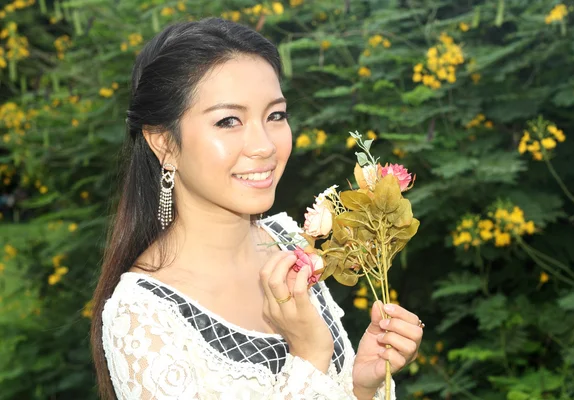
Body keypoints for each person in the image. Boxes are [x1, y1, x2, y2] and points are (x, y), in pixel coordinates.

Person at [90, 17, 424, 400]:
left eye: (275, 115)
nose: (264, 144)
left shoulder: (290, 244)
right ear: (164, 143)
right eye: (229, 120)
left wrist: (361, 386)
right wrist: (309, 357)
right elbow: (311, 363)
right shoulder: (142, 316)